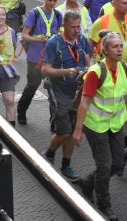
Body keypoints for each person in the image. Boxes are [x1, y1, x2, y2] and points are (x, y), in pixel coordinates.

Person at [73, 32, 127, 221]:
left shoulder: (124, 67)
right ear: (105, 51)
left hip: (117, 124)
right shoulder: (96, 72)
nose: (120, 49)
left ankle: (88, 182)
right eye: (115, 46)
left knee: (118, 163)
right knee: (104, 166)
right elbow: (85, 103)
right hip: (96, 125)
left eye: (121, 46)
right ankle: (104, 204)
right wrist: (78, 131)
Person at [41, 11, 91, 181]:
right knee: (64, 132)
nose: (77, 30)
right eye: (73, 27)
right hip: (58, 91)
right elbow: (45, 69)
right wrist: (66, 71)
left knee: (71, 131)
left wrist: (86, 69)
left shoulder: (82, 40)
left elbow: (87, 59)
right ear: (64, 26)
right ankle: (48, 154)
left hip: (77, 93)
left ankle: (66, 165)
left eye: (79, 27)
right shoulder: (54, 42)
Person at [17, 0, 63, 125]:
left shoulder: (58, 15)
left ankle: (53, 119)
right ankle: (21, 111)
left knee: (53, 89)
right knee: (32, 86)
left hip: (52, 58)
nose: (52, 3)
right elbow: (24, 35)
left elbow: (59, 32)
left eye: (55, 1)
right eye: (50, 0)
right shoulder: (34, 13)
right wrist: (38, 39)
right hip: (35, 58)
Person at [89, 0, 127, 70]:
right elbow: (90, 47)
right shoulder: (101, 22)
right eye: (124, 3)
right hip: (105, 67)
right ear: (114, 4)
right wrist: (88, 66)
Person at [0, 6, 19, 128]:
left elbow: (14, 47)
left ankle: (11, 134)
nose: (0, 17)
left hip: (6, 71)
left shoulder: (11, 31)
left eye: (2, 14)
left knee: (10, 101)